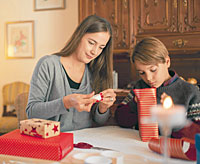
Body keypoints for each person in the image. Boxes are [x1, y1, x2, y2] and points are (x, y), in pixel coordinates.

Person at [26, 15, 116, 132]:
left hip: (84, 143)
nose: (94, 52)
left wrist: (103, 108)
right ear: (79, 36)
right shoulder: (48, 64)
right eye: (91, 43)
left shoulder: (95, 71)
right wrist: (66, 103)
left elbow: (99, 121)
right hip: (53, 141)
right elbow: (32, 112)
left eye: (101, 47)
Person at [115, 37, 200, 139]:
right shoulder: (139, 87)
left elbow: (196, 134)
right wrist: (134, 103)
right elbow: (120, 120)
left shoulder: (190, 91)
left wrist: (176, 119)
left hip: (174, 150)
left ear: (167, 62)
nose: (148, 78)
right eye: (142, 73)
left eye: (153, 70)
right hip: (141, 147)